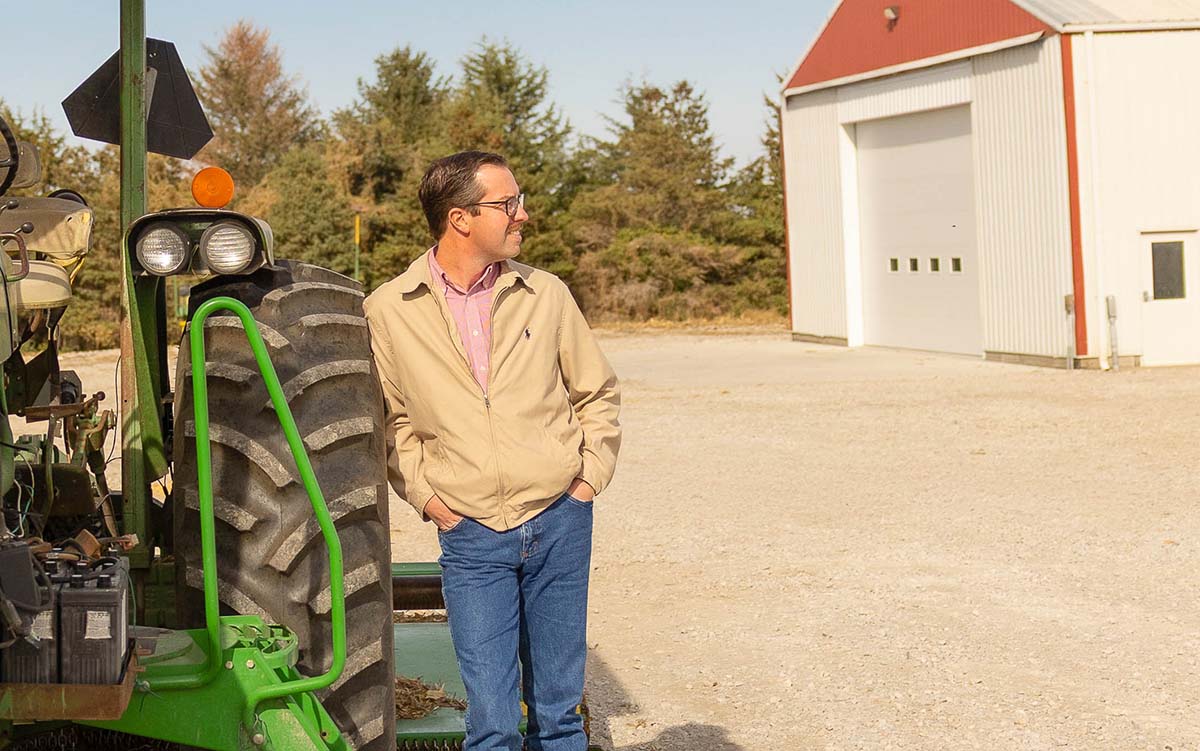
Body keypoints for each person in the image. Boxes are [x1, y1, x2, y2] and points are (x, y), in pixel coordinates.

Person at [364, 150, 622, 751]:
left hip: (559, 520)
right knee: (494, 722)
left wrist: (587, 481)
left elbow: (597, 392)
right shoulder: (389, 308)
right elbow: (392, 422)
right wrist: (430, 500)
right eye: (508, 204)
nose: (522, 215)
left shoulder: (545, 293)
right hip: (472, 534)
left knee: (559, 715)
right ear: (460, 218)